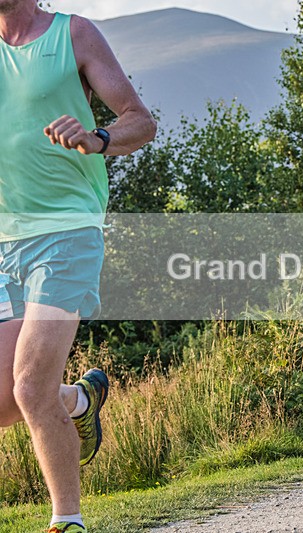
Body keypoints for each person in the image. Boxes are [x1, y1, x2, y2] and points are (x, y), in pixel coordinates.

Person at [0, 2, 157, 532]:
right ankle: (80, 400)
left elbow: (141, 121)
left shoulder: (73, 35)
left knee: (28, 386)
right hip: (4, 242)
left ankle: (67, 521)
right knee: (7, 403)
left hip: (66, 231)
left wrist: (98, 139)